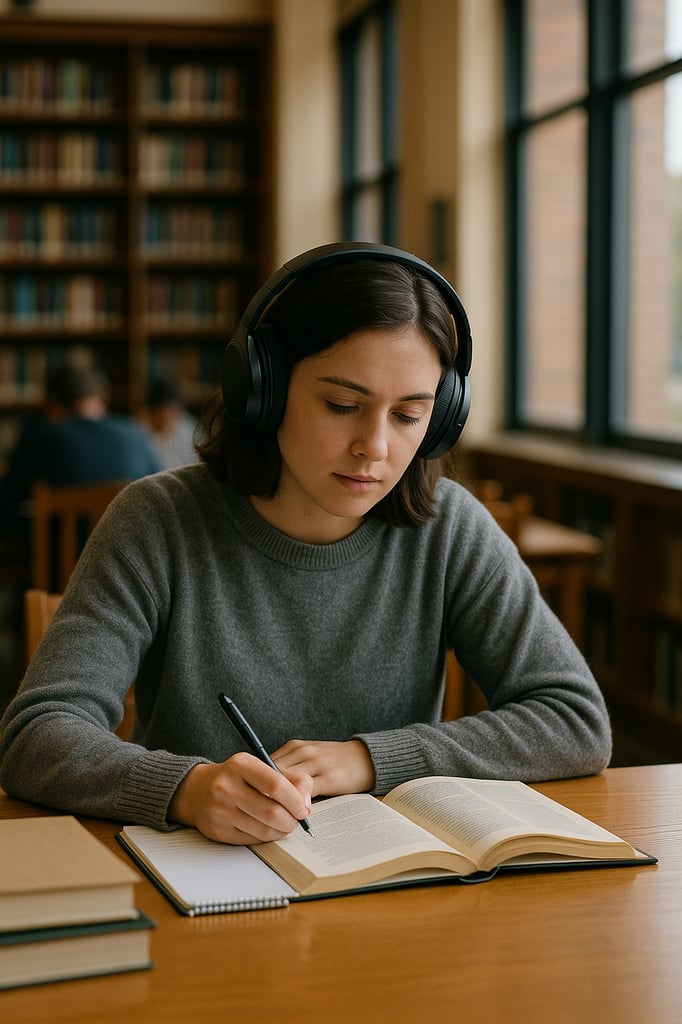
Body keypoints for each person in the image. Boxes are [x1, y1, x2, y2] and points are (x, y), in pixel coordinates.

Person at [0, 242, 612, 847]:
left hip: (394, 888)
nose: (374, 446)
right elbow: (37, 735)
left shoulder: (450, 529)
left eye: (407, 416)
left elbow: (575, 720)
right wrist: (185, 787)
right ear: (261, 389)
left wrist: (370, 760)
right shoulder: (159, 520)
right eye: (343, 404)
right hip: (209, 887)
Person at [0, 363, 163, 530]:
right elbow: (159, 496)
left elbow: (6, 501)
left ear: (53, 406)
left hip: (60, 554)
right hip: (129, 551)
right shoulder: (135, 433)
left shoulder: (41, 437)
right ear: (101, 401)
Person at [143, 377, 199, 469]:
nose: (166, 417)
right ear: (150, 412)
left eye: (172, 411)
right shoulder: (140, 433)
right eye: (160, 412)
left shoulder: (190, 430)